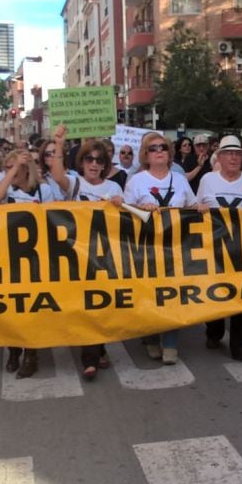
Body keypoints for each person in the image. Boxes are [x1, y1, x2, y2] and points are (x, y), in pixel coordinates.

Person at [124, 133, 196, 364]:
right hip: (147, 247)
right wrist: (139, 207)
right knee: (150, 295)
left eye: (163, 147)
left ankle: (171, 344)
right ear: (145, 154)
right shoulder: (136, 181)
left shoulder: (180, 180)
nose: (159, 151)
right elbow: (124, 213)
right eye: (153, 148)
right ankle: (151, 338)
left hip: (176, 247)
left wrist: (201, 208)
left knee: (173, 295)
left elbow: (191, 205)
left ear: (169, 152)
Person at [0, 149, 59, 379]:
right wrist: (10, 172)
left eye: (15, 168)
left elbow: (52, 221)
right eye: (7, 168)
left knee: (31, 309)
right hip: (9, 256)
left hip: (35, 257)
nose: (11, 172)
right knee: (12, 308)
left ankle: (30, 355)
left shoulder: (44, 190)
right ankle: (13, 349)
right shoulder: (7, 190)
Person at [195, 136, 242, 364]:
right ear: (220, 157)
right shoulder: (207, 180)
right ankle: (214, 332)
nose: (234, 157)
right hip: (214, 249)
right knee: (215, 295)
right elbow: (195, 208)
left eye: (238, 154)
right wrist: (200, 208)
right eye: (229, 153)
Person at [74, 142, 124, 379]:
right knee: (87, 306)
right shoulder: (73, 183)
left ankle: (99, 349)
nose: (94, 164)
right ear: (82, 162)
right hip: (77, 252)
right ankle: (90, 359)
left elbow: (124, 220)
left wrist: (120, 206)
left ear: (105, 165)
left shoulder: (114, 186)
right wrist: (61, 141)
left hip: (105, 254)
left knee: (102, 307)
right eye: (89, 159)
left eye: (99, 160)